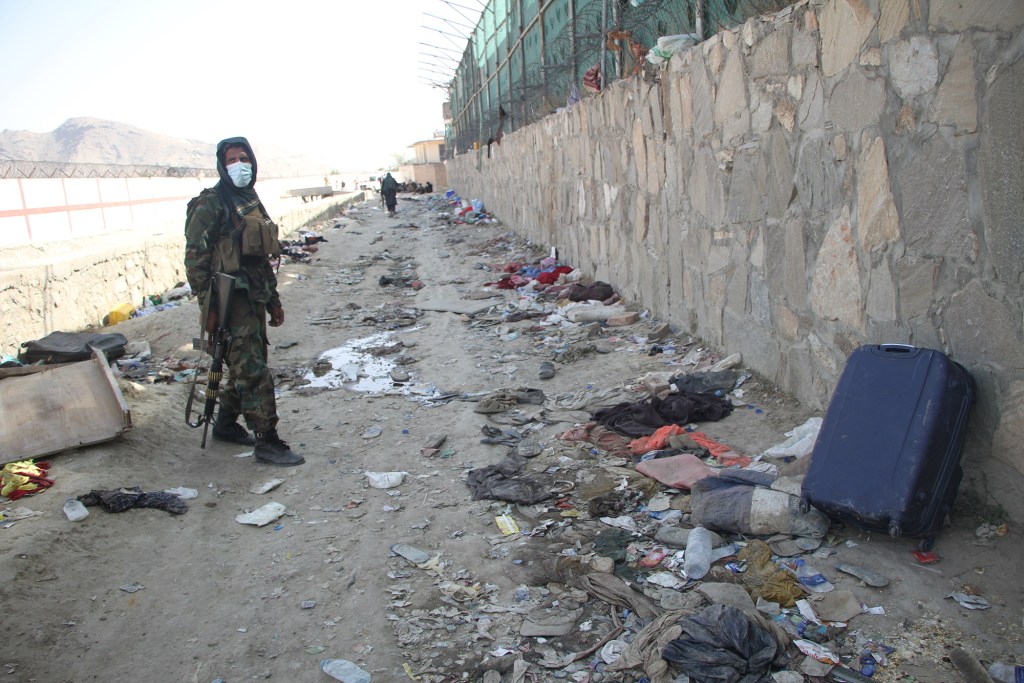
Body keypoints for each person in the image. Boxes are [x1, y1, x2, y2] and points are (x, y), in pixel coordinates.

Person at [183, 136, 305, 467]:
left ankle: (225, 424)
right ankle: (267, 441)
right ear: (222, 166)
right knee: (252, 369)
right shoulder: (210, 203)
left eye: (244, 157)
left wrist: (274, 300)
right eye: (232, 160)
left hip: (253, 296)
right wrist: (208, 307)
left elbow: (261, 258)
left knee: (246, 362)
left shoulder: (249, 200)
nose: (240, 165)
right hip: (228, 299)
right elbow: (195, 258)